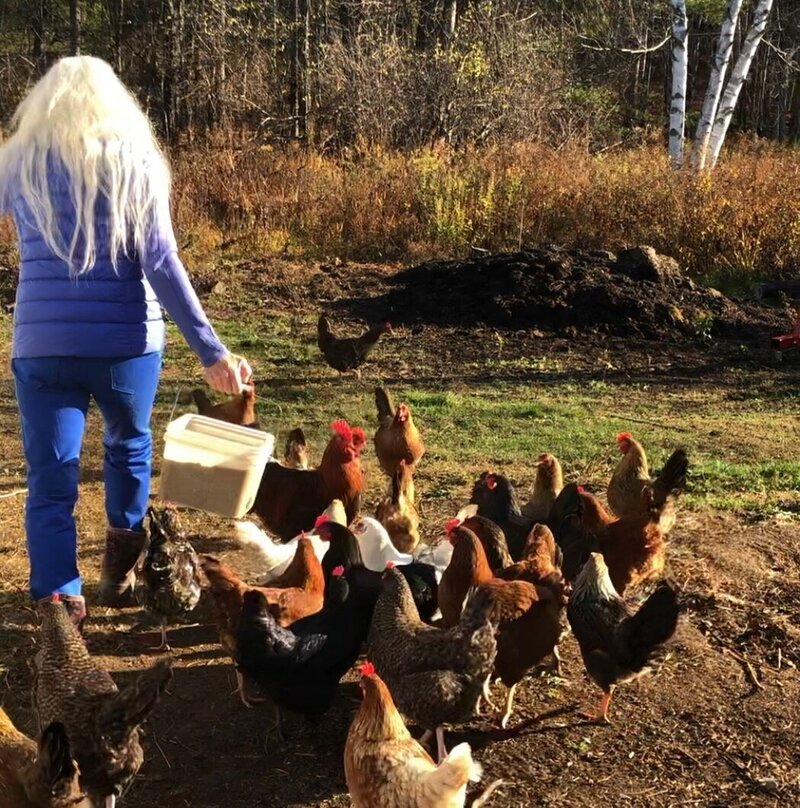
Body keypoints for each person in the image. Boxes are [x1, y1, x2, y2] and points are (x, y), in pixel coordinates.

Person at [0, 56, 252, 628]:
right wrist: (211, 351)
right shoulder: (136, 162)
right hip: (126, 344)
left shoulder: (17, 163)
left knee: (51, 473)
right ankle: (121, 558)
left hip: (42, 344)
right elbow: (160, 262)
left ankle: (58, 598)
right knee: (128, 445)